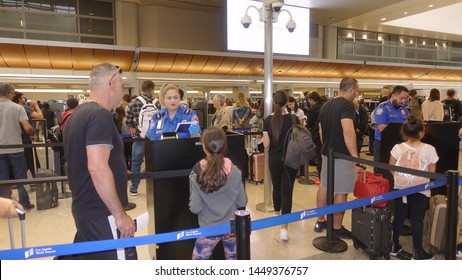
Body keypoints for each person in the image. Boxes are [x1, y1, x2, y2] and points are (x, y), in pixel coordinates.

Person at [62, 63, 137, 260]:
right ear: (112, 83)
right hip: (102, 214)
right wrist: (120, 216)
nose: (122, 92)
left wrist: (118, 169)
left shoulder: (77, 115)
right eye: (121, 86)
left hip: (85, 209)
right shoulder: (100, 115)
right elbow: (97, 168)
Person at [189, 127, 247, 260]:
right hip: (231, 228)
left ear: (204, 146)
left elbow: (195, 208)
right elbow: (241, 202)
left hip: (207, 229)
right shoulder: (235, 171)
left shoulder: (196, 174)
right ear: (224, 146)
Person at [314, 77, 360, 239]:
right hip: (341, 155)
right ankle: (336, 226)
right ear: (351, 90)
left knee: (325, 186)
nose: (357, 94)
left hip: (327, 153)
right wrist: (355, 157)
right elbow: (348, 131)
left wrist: (327, 146)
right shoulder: (347, 105)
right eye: (356, 91)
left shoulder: (326, 105)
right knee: (341, 190)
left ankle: (321, 220)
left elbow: (320, 131)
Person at [389, 116, 438, 260]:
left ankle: (393, 245)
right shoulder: (429, 149)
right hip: (421, 189)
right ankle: (418, 252)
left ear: (404, 133)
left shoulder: (397, 148)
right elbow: (432, 172)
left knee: (399, 216)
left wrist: (403, 179)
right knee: (417, 219)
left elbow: (390, 167)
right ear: (421, 133)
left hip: (401, 188)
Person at [262, 90, 298, 241]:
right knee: (287, 191)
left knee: (276, 187)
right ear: (286, 102)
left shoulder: (267, 120)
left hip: (274, 159)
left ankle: (277, 215)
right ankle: (284, 229)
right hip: (291, 159)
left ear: (274, 102)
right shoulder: (293, 118)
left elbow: (266, 144)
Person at [0, 84, 36, 211]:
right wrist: (33, 134)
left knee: (2, 179)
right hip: (15, 147)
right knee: (21, 177)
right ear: (9, 93)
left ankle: (5, 206)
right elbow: (27, 128)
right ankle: (25, 204)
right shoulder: (17, 108)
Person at [125, 80, 157, 196]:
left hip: (139, 138)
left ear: (141, 89)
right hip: (154, 139)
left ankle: (134, 188)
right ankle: (155, 187)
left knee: (136, 163)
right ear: (153, 89)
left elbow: (128, 121)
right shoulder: (158, 103)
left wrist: (136, 127)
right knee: (155, 162)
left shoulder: (133, 102)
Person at [372, 85, 409, 173]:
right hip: (383, 144)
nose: (403, 101)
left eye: (405, 99)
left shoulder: (403, 110)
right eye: (401, 98)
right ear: (393, 96)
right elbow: (382, 128)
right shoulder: (382, 109)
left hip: (400, 144)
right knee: (381, 170)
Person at [12, 92, 43, 177]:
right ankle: (37, 179)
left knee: (20, 161)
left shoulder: (12, 108)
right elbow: (40, 116)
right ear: (19, 99)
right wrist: (36, 105)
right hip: (26, 138)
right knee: (32, 161)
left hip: (16, 139)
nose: (24, 99)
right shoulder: (23, 107)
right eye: (22, 98)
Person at [305, 91, 323, 180]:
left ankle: (321, 177)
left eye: (309, 100)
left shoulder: (311, 110)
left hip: (316, 136)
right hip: (327, 135)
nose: (308, 102)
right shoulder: (325, 106)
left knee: (319, 157)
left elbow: (309, 125)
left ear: (312, 100)